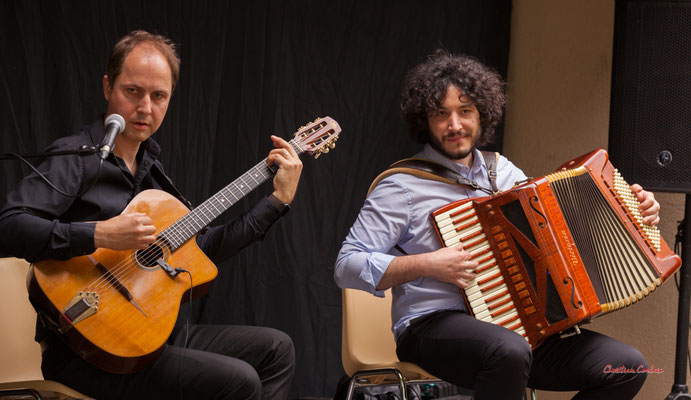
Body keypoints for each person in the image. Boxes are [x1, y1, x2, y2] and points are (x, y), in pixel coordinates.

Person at [334, 49, 660, 400]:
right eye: (441, 114)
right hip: (430, 327)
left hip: (517, 327)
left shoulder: (503, 171)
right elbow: (346, 265)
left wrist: (630, 211)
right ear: (424, 121)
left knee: (627, 366)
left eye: (465, 111)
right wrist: (427, 264)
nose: (455, 125)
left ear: (482, 114)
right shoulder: (401, 186)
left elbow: (554, 233)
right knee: (508, 350)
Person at [0, 30, 301, 400]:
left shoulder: (154, 173)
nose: (145, 107)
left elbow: (202, 250)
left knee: (276, 349)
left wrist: (277, 201)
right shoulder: (77, 159)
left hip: (149, 334)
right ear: (108, 86)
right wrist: (99, 235)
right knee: (239, 381)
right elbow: (9, 226)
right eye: (133, 91)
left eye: (158, 96)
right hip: (83, 350)